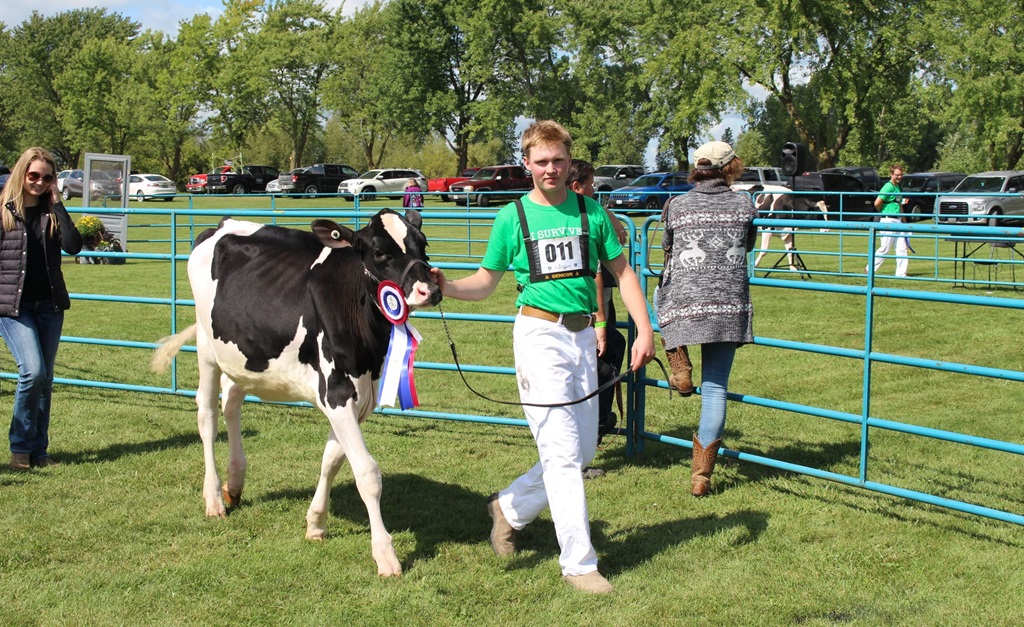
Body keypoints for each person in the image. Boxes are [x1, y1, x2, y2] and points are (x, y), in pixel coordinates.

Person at [431, 121, 655, 594]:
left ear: (569, 162)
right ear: (527, 164)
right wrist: (445, 286)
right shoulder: (511, 218)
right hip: (538, 337)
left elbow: (624, 274)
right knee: (561, 453)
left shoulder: (592, 213)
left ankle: (508, 508)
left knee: (585, 448)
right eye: (541, 161)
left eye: (558, 161)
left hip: (581, 340)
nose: (550, 169)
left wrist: (643, 330)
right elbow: (485, 282)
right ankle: (579, 564)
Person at [655, 141, 757, 497]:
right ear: (731, 167)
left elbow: (667, 246)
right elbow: (749, 244)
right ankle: (701, 475)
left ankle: (679, 363)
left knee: (660, 299)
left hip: (685, 303)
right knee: (715, 389)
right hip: (728, 306)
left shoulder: (677, 205)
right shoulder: (744, 204)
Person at [0, 147, 83, 470]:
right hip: (13, 306)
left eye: (46, 178)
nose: (38, 182)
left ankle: (39, 451)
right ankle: (20, 447)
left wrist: (58, 202)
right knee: (31, 371)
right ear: (22, 173)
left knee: (45, 378)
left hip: (49, 305)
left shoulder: (51, 211)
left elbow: (74, 246)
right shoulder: (5, 210)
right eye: (33, 175)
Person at [565, 159, 628, 479]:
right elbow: (621, 238)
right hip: (590, 309)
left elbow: (619, 235)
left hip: (589, 309)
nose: (594, 189)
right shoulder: (586, 214)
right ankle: (596, 428)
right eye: (589, 184)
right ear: (577, 187)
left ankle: (595, 429)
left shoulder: (586, 211)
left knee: (606, 354)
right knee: (600, 365)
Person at [866, 164, 908, 277]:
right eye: (897, 175)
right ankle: (869, 269)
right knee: (885, 247)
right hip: (888, 221)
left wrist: (904, 221)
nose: (899, 177)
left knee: (902, 248)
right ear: (891, 174)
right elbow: (877, 203)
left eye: (901, 174)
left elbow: (899, 205)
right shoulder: (888, 187)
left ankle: (901, 273)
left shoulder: (898, 188)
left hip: (898, 220)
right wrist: (884, 212)